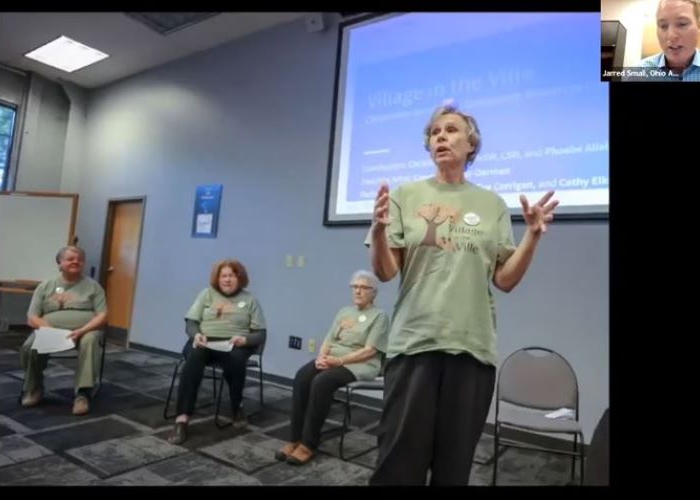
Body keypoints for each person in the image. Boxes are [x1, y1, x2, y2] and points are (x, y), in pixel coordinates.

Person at [365, 102, 558, 485]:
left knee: (453, 470)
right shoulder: (407, 194)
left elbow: (504, 279)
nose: (441, 137)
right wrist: (378, 233)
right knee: (398, 465)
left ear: (472, 145)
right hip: (414, 343)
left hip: (472, 348)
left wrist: (532, 237)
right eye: (435, 132)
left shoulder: (491, 204)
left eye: (451, 130)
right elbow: (386, 271)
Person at [275, 270, 390, 466]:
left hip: (361, 364)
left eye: (364, 287)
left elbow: (370, 351)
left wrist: (338, 361)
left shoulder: (379, 316)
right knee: (303, 376)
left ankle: (309, 444)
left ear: (374, 293)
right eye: (355, 286)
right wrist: (322, 357)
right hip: (333, 359)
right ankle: (295, 438)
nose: (358, 291)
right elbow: (329, 339)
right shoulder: (344, 312)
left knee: (322, 382)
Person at [168, 259, 266, 444]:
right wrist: (196, 335)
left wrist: (245, 340)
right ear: (217, 278)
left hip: (234, 343)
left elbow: (260, 333)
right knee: (194, 357)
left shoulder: (250, 300)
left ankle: (237, 406)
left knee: (236, 358)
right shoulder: (207, 294)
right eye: (223, 276)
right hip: (204, 341)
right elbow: (191, 322)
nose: (227, 280)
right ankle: (182, 418)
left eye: (231, 275)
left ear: (239, 277)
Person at [20, 246, 108, 416]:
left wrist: (82, 330)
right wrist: (52, 332)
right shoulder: (45, 286)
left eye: (80, 259)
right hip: (52, 331)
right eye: (70, 259)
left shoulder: (94, 287)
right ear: (59, 263)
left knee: (90, 340)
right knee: (29, 347)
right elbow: (32, 317)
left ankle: (83, 394)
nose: (76, 261)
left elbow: (102, 315)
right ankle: (34, 387)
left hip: (85, 331)